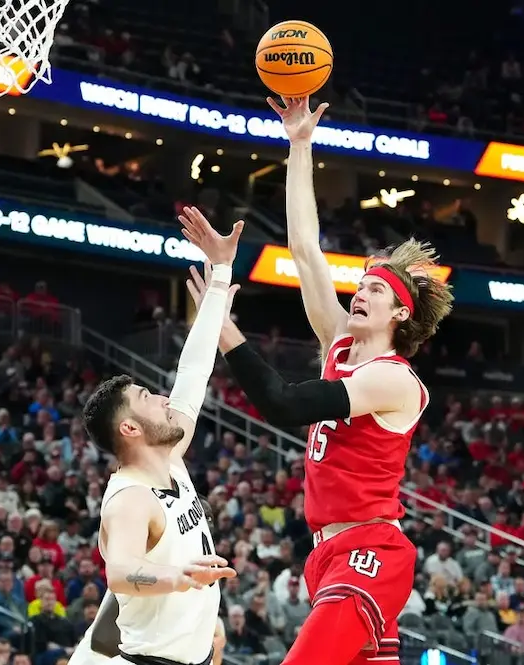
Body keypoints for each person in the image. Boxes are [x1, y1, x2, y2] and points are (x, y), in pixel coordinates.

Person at [186, 95, 453, 665]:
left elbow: (282, 402)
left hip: (371, 551)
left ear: (401, 314)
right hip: (325, 556)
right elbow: (306, 251)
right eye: (361, 284)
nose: (360, 291)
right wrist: (299, 144)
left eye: (376, 290)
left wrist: (222, 325)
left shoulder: (394, 380)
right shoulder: (340, 345)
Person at [75, 207, 240, 665]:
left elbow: (193, 370)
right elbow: (122, 571)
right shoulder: (130, 498)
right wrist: (177, 576)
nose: (165, 399)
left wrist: (222, 274)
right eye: (148, 397)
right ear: (129, 428)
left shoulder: (170, 458)